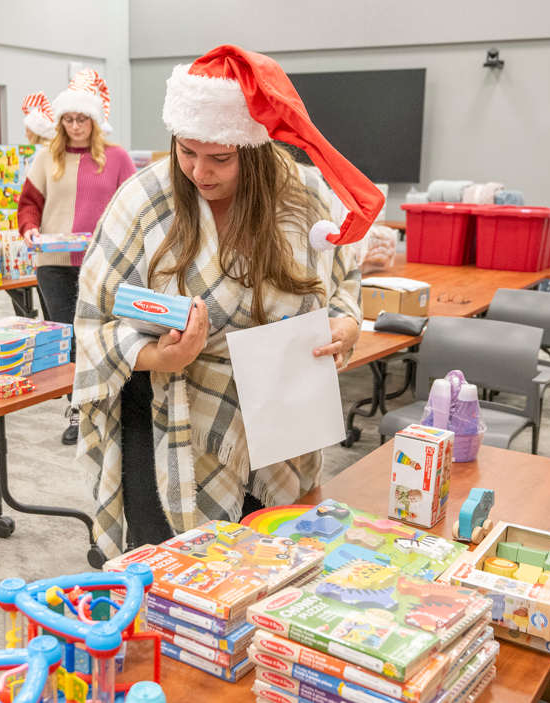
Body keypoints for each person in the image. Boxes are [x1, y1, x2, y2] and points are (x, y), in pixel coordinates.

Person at [73, 46, 384, 557]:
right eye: (186, 152)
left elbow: (344, 286)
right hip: (164, 413)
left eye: (221, 158)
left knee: (269, 558)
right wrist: (163, 356)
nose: (200, 172)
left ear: (256, 150)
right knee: (172, 566)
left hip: (281, 407)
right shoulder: (143, 200)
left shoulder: (303, 197)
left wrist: (345, 326)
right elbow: (94, 323)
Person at [17, 69, 137, 446]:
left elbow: (136, 206)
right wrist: (29, 230)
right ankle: (78, 411)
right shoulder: (45, 158)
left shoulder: (116, 159)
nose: (74, 125)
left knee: (102, 336)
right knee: (69, 336)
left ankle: (111, 404)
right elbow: (28, 205)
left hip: (103, 266)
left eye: (81, 118)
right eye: (68, 119)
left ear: (95, 120)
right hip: (54, 265)